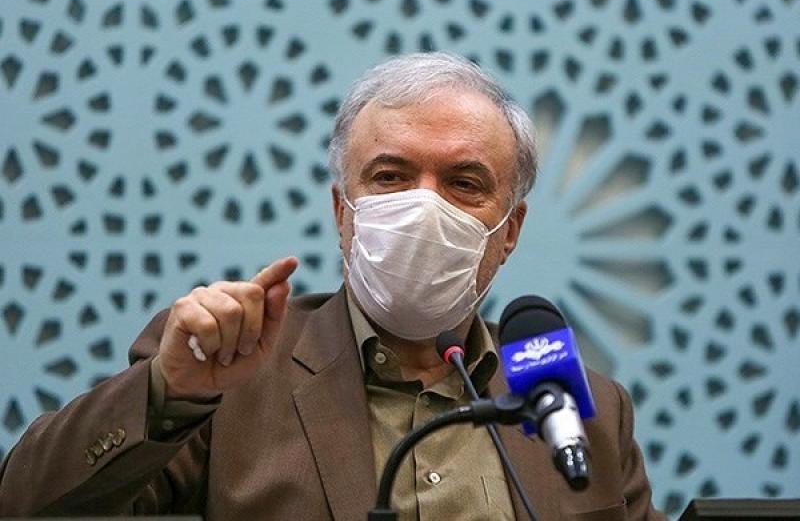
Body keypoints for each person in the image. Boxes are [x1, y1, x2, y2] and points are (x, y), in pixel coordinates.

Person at [0, 52, 665, 520]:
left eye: (464, 184)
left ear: (509, 230)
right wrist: (168, 394)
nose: (423, 207)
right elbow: (25, 504)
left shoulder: (583, 409)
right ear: (343, 212)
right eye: (389, 178)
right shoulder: (230, 375)